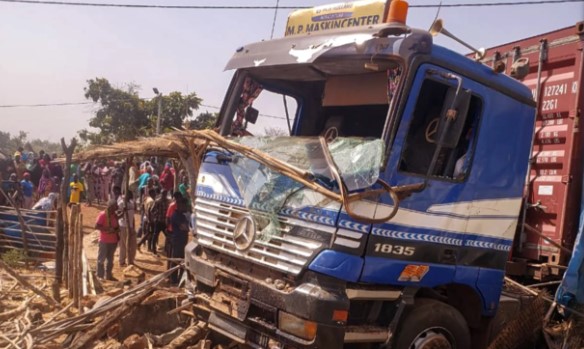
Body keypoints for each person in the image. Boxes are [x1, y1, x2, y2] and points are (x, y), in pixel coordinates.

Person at [95, 199, 120, 281]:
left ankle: (108, 276)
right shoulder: (102, 215)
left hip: (113, 240)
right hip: (104, 240)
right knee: (101, 259)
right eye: (115, 207)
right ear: (110, 207)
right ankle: (100, 276)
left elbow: (117, 228)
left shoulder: (115, 215)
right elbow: (97, 226)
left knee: (110, 260)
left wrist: (115, 230)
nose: (116, 208)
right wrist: (107, 229)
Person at [169, 198, 190, 285]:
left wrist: (185, 228)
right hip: (177, 241)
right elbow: (184, 227)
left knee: (182, 260)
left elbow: (187, 228)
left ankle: (179, 279)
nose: (185, 207)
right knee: (175, 261)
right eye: (184, 205)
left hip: (183, 241)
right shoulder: (175, 215)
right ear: (179, 205)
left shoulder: (183, 216)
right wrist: (185, 228)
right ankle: (173, 279)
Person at [117, 190, 136, 266]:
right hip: (123, 226)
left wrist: (133, 226)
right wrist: (123, 212)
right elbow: (117, 214)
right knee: (123, 245)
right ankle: (122, 261)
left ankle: (131, 260)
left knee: (133, 245)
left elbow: (132, 216)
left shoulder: (131, 203)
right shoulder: (121, 203)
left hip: (131, 227)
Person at [149, 189, 169, 255]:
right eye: (163, 194)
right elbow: (152, 210)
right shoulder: (157, 201)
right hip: (158, 221)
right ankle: (154, 250)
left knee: (168, 236)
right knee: (155, 235)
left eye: (165, 194)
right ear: (161, 194)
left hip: (164, 222)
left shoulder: (167, 202)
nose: (164, 195)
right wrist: (156, 215)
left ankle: (167, 249)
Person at [138, 188, 157, 253]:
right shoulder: (151, 201)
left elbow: (143, 207)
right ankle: (140, 244)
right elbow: (149, 210)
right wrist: (150, 219)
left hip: (146, 217)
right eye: (154, 193)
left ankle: (148, 247)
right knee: (149, 233)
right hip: (150, 219)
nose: (155, 194)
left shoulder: (146, 198)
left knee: (149, 233)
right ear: (151, 193)